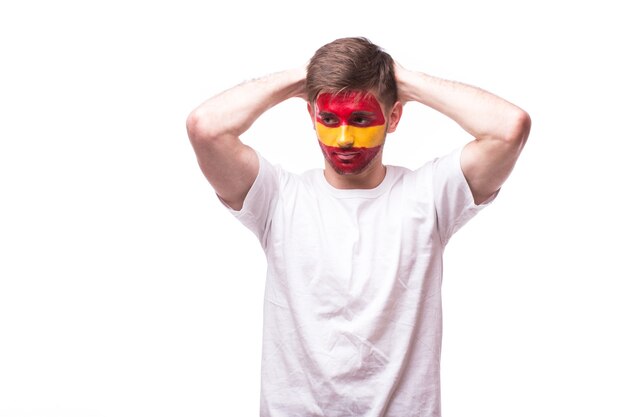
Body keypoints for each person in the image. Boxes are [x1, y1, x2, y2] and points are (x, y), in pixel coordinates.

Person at [186, 37, 531, 417]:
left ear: (394, 118)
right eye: (329, 119)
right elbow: (205, 128)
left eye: (362, 119)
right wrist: (304, 78)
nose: (344, 138)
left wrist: (404, 79)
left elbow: (510, 128)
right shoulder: (278, 198)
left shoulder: (429, 196)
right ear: (311, 117)